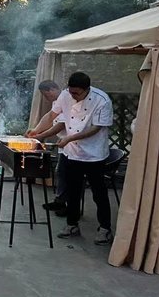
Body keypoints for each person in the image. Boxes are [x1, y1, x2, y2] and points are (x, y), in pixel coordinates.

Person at [38, 72, 114, 245]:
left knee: (99, 193)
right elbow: (55, 117)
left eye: (77, 93)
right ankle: (72, 225)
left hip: (94, 154)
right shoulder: (65, 95)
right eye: (71, 92)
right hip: (72, 153)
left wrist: (69, 138)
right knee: (73, 191)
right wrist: (39, 133)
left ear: (87, 89)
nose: (73, 96)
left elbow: (96, 128)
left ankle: (105, 229)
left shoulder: (102, 100)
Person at [26, 80, 70, 216]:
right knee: (61, 172)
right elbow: (49, 117)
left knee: (68, 175)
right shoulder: (56, 102)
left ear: (53, 89)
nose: (46, 98)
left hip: (73, 143)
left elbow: (61, 124)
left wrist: (41, 135)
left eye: (46, 95)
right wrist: (35, 130)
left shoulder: (67, 99)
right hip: (64, 145)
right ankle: (60, 201)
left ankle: (69, 206)